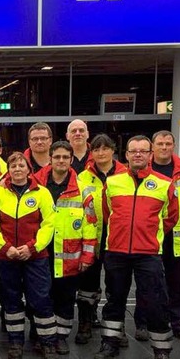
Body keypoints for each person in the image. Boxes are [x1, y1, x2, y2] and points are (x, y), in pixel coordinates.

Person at [95, 135, 179, 359]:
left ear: (150, 154)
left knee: (155, 301)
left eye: (143, 151)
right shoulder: (112, 182)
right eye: (134, 151)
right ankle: (110, 343)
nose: (138, 155)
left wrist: (150, 234)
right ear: (127, 155)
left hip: (148, 253)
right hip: (116, 251)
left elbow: (171, 216)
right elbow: (107, 211)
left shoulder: (164, 183)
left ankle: (162, 350)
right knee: (114, 300)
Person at [133, 130, 180, 343]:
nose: (164, 147)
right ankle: (143, 323)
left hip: (179, 239)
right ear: (152, 147)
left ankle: (179, 324)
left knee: (178, 285)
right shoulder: (141, 172)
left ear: (173, 145)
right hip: (149, 240)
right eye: (160, 144)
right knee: (147, 284)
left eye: (168, 143)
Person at [0, 152, 59, 359]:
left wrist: (32, 247)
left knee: (41, 298)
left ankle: (48, 343)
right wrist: (4, 247)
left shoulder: (42, 193)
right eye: (13, 165)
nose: (17, 169)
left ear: (29, 169)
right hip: (6, 257)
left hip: (35, 257)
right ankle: (15, 341)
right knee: (11, 299)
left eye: (21, 165)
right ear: (8, 169)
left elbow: (49, 224)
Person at [33, 141, 97, 355]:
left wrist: (87, 255)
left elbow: (90, 224)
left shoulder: (82, 189)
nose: (61, 161)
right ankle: (42, 335)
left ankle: (60, 337)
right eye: (57, 157)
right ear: (50, 159)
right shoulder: (35, 182)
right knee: (42, 296)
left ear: (71, 160)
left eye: (65, 157)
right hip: (41, 253)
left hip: (69, 255)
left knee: (65, 298)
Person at [76, 134, 127, 344]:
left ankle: (116, 328)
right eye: (96, 150)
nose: (101, 153)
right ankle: (86, 323)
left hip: (118, 238)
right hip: (92, 237)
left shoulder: (126, 174)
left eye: (105, 149)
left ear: (113, 150)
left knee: (117, 285)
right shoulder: (82, 178)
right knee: (87, 284)